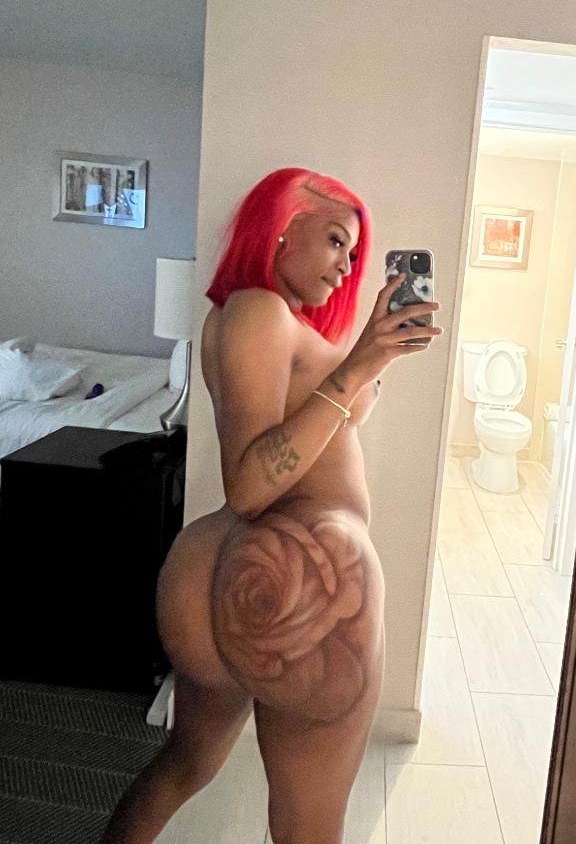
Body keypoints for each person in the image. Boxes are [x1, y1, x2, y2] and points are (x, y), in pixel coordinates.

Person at [99, 167, 442, 844]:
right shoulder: (259, 309)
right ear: (283, 224)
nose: (347, 265)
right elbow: (250, 486)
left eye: (354, 253)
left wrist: (368, 362)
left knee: (184, 765)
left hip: (217, 564)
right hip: (300, 568)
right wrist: (356, 365)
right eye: (336, 240)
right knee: (308, 824)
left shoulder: (260, 320)